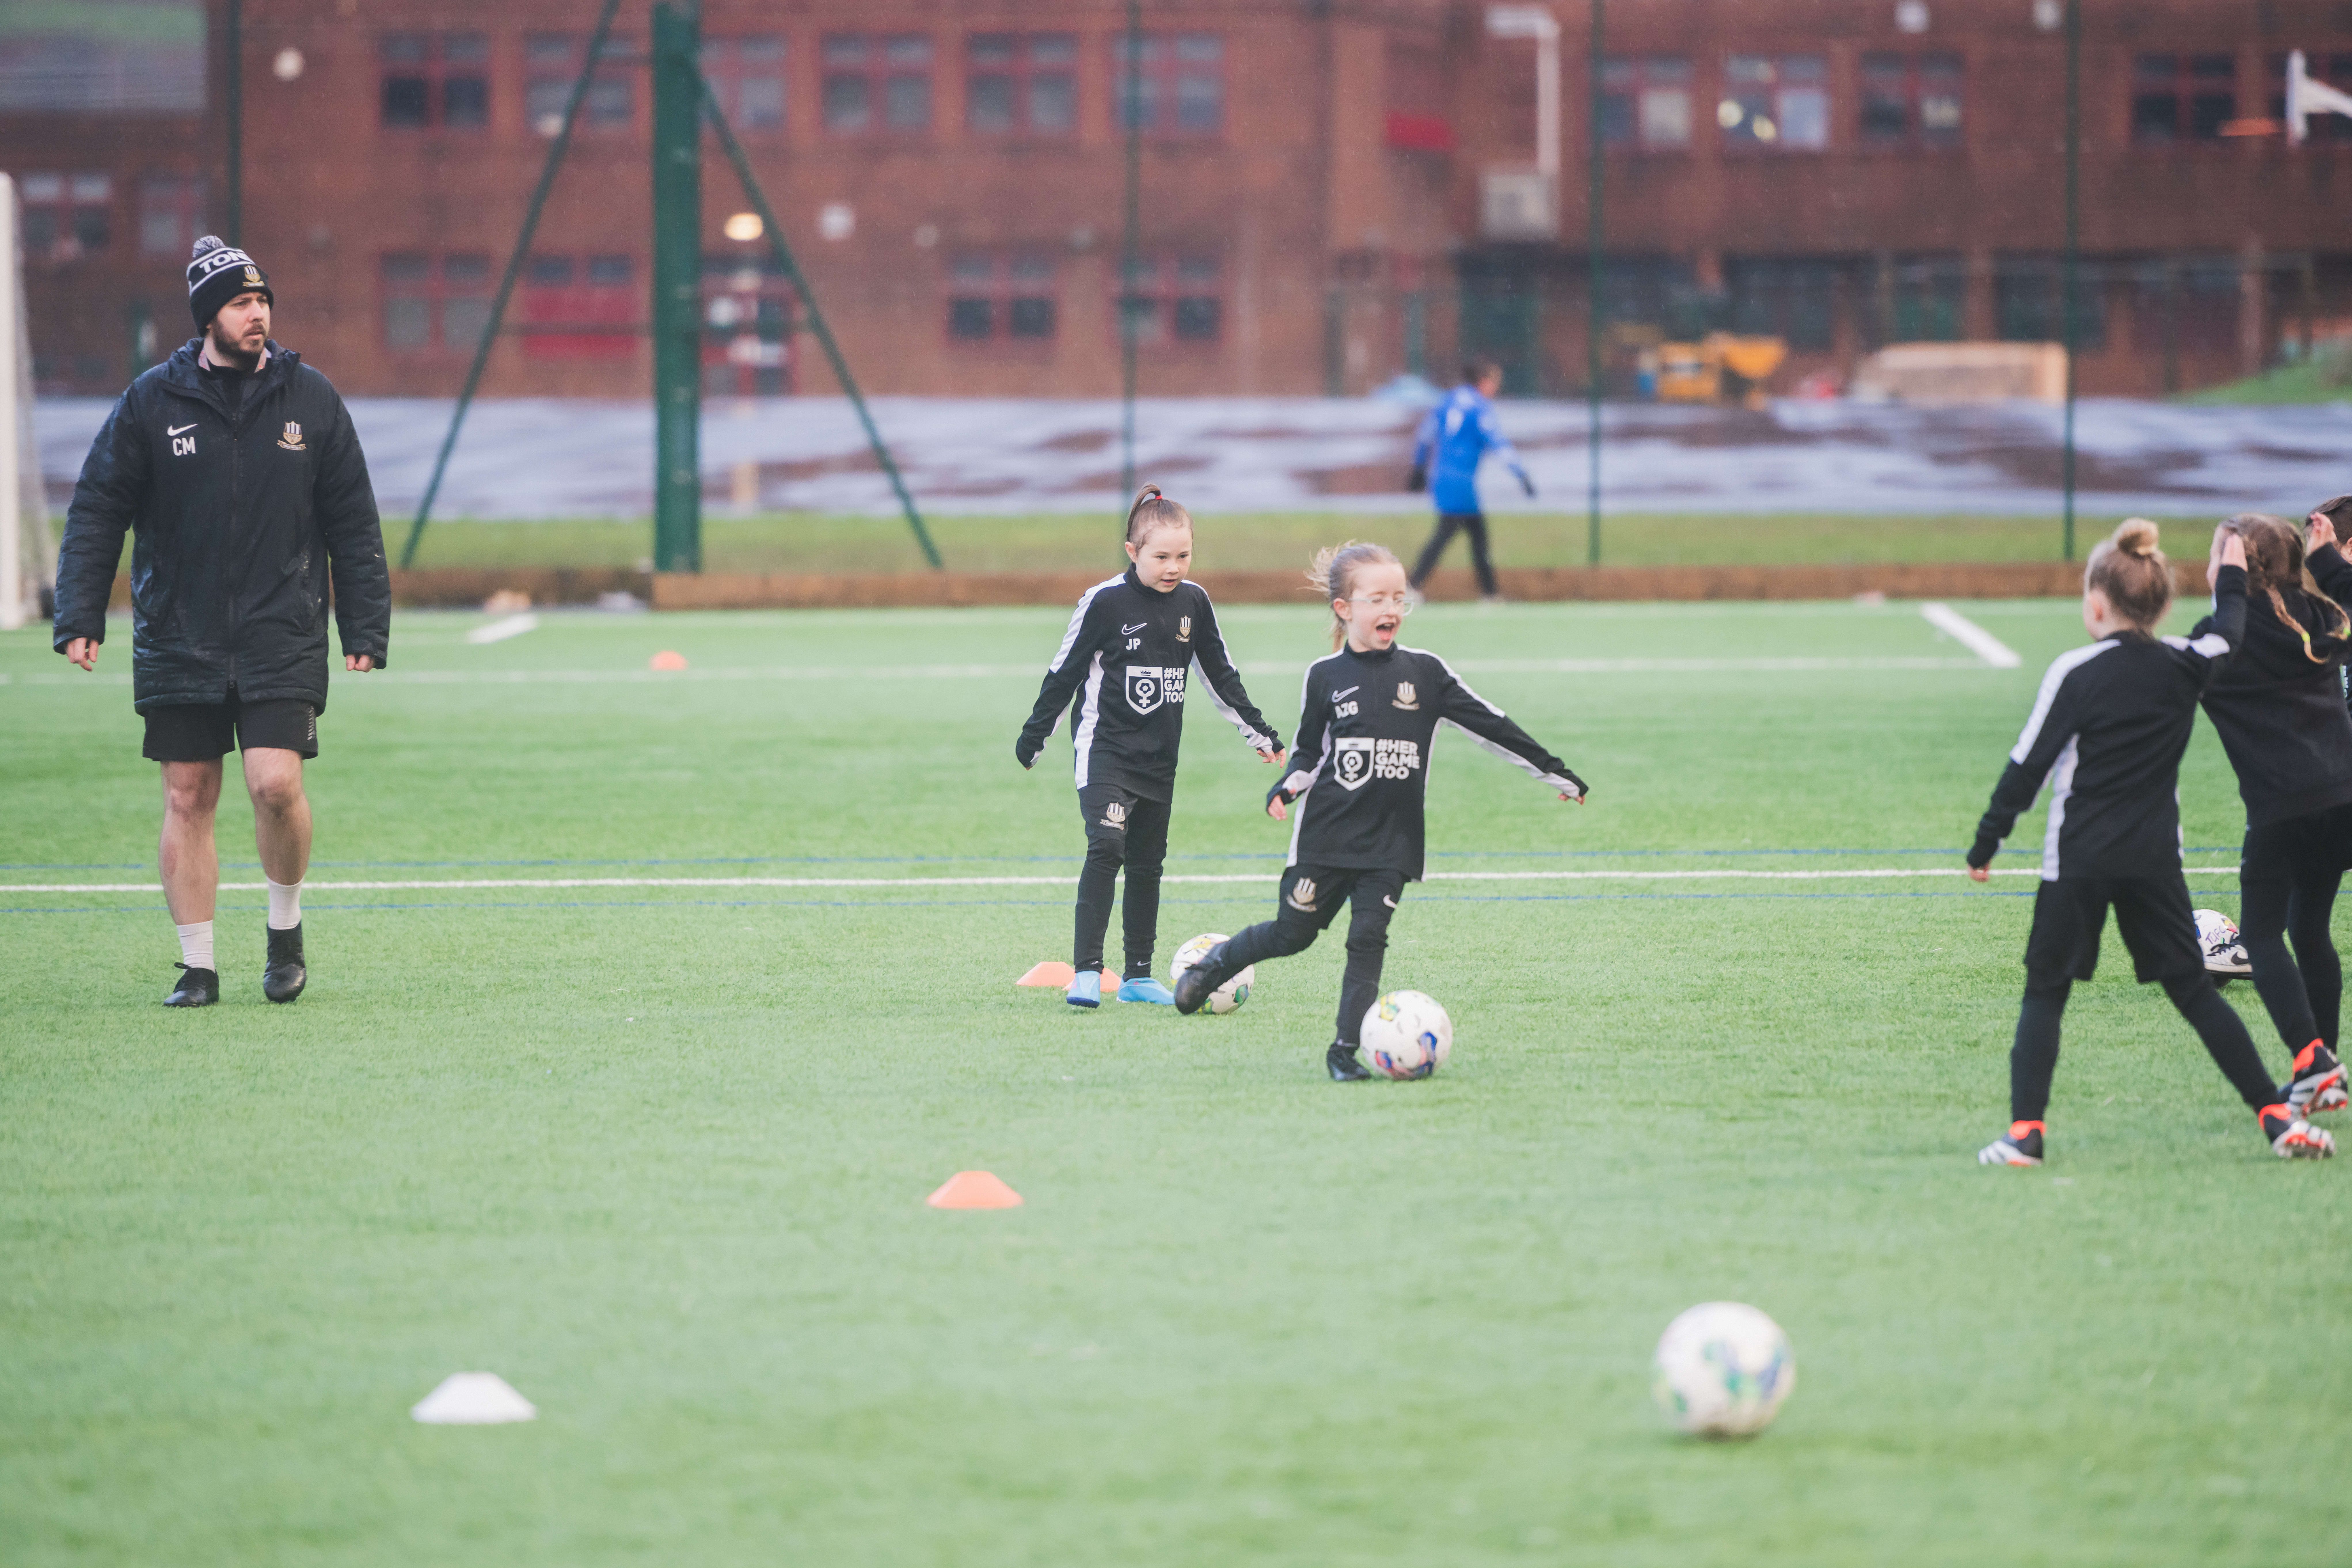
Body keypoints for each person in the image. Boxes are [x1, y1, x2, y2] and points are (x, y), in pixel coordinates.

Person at [51, 235, 390, 1008]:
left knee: (275, 784)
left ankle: (285, 930)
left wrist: (365, 626)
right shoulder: (150, 403)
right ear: (208, 317)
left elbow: (352, 519)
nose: (257, 314)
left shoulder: (312, 399)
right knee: (187, 794)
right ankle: (198, 967)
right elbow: (98, 508)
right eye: (241, 303)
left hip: (281, 630)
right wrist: (79, 613)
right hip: (179, 634)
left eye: (262, 300)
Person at [1967, 518, 2332, 1165]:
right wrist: (2231, 568)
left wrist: (1985, 844)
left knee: (2045, 991)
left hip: (2077, 861)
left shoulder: (2073, 670)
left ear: (2095, 604)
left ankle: (2025, 1133)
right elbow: (2230, 626)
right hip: (2154, 862)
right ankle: (2276, 1117)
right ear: (2162, 606)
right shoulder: (2185, 662)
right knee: (2193, 992)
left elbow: (2027, 767)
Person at [1171, 541, 1589, 1079]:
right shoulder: (1324, 675)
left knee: (1367, 939)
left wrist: (1556, 772)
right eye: (1377, 599)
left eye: (1399, 597)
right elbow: (1309, 752)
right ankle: (1216, 964)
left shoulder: (1427, 673)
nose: (1391, 608)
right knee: (1291, 935)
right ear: (1344, 609)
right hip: (1326, 837)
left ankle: (1344, 1051)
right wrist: (1287, 787)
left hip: (1392, 842)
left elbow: (1493, 726)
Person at [1016, 485, 1285, 1009]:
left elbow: (1220, 674)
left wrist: (1259, 732)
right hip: (1105, 751)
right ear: (1132, 551)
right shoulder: (1104, 602)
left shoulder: (1194, 602)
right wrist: (1035, 736)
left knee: (1147, 863)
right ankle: (1087, 971)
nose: (1173, 567)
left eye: (1183, 555)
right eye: (1161, 556)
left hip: (1159, 758)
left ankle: (1138, 976)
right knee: (1107, 846)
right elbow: (1064, 672)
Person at [2190, 510, 2352, 1118]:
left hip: (2283, 812)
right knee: (2308, 930)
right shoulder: (2319, 616)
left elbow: (2207, 652)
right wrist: (2328, 562)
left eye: (2217, 558)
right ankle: (2323, 1069)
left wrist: (2230, 589)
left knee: (2261, 935)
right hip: (2343, 803)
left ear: (2234, 569)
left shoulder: (2220, 636)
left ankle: (2311, 1059)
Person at [1406, 358, 1532, 606]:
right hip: (1461, 481)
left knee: (1473, 533)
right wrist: (1521, 474)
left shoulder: (1447, 400)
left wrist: (1419, 467)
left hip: (1442, 477)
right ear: (1483, 382)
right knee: (1448, 533)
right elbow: (1498, 443)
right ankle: (1413, 587)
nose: (1496, 388)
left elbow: (1425, 435)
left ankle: (1489, 593)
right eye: (1495, 382)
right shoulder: (1479, 408)